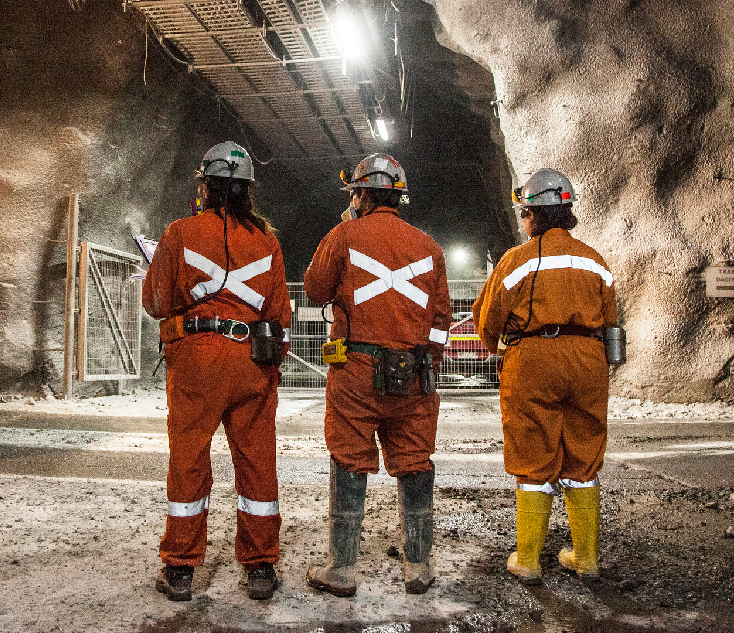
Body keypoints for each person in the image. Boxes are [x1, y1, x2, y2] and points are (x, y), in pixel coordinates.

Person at [142, 141, 292, 602]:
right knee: (256, 461)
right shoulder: (266, 240)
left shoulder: (180, 233)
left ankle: (181, 569)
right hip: (251, 360)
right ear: (247, 191)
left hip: (197, 359)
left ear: (205, 187)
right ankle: (261, 567)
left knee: (189, 457)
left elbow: (155, 302)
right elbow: (279, 312)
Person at [303, 153, 451, 596]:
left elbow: (314, 289)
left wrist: (347, 225)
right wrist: (430, 367)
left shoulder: (345, 234)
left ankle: (342, 569)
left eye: (354, 192)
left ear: (362, 193)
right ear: (398, 195)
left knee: (350, 457)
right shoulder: (429, 247)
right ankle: (418, 565)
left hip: (357, 370)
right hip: (415, 371)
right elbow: (441, 319)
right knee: (414, 460)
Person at [472, 168, 617, 584]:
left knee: (534, 458)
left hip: (534, 359)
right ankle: (585, 557)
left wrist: (501, 351)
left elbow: (488, 321)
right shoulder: (595, 261)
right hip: (588, 359)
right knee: (583, 456)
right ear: (567, 212)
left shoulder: (516, 261)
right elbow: (611, 321)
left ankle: (530, 559)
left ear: (532, 215)